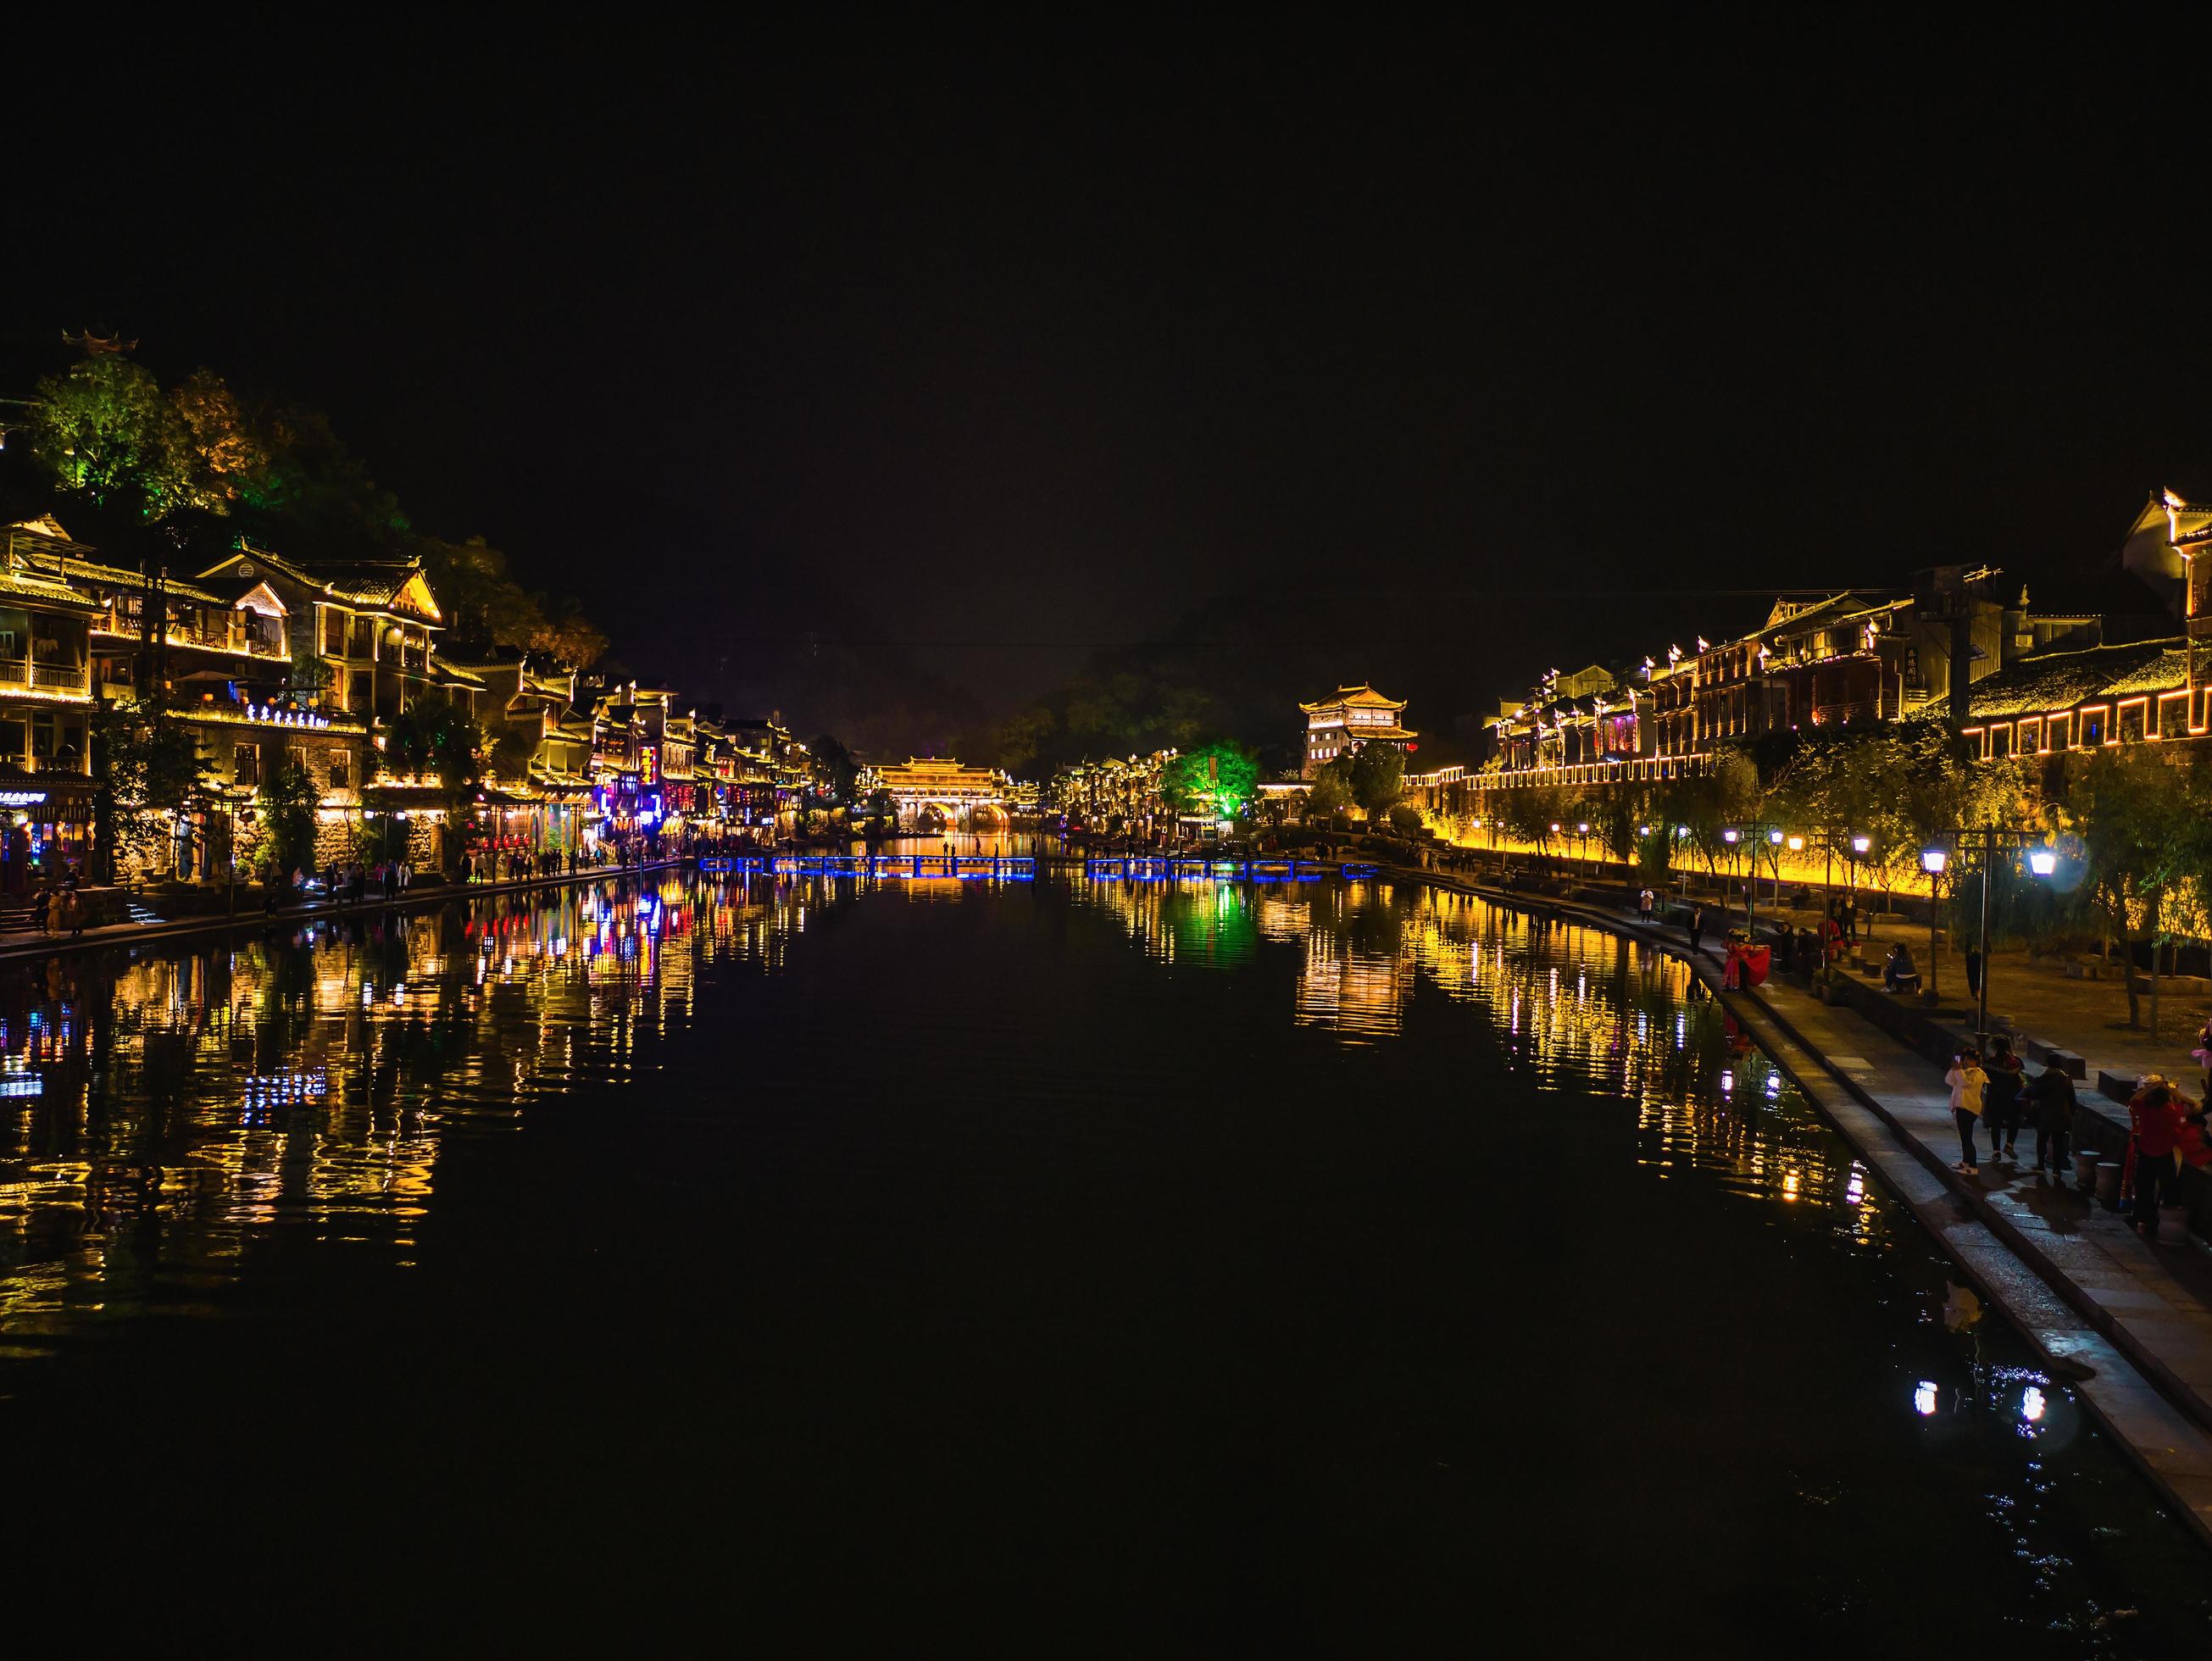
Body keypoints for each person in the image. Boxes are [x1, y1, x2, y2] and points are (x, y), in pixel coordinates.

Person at [2129, 1080, 2185, 1239]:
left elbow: (2134, 1099)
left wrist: (2149, 1088)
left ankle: (2142, 1222)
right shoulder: (2169, 1111)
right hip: (2164, 1153)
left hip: (2146, 1152)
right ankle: (2169, 1222)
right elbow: (2187, 1106)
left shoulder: (2144, 1108)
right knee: (2169, 1187)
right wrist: (2172, 1091)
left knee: (2144, 1188)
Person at [2031, 1061, 2077, 1182]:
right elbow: (2072, 1099)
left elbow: (2034, 1094)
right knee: (2058, 1143)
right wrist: (2072, 1113)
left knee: (2041, 1141)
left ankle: (2041, 1166)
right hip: (2061, 1116)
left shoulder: (2043, 1079)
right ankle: (2056, 1170)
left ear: (2048, 1065)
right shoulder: (2065, 1080)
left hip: (2045, 1115)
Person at [1944, 1049, 1987, 1174]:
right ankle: (1965, 1161)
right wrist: (1954, 1069)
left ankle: (1973, 1166)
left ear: (1976, 1060)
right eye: (1966, 1059)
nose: (1967, 1061)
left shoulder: (1978, 1074)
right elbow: (1950, 1081)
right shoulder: (1964, 1071)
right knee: (1963, 1137)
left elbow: (1965, 1083)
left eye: (1970, 1059)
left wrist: (1958, 1071)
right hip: (1961, 1106)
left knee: (1967, 1137)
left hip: (1969, 1107)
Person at [1984, 1038, 2026, 1160]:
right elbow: (2021, 1078)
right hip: (2013, 1097)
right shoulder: (2016, 1062)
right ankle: (2009, 1144)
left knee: (1995, 1124)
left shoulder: (1990, 1062)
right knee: (2014, 1121)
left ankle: (1996, 1151)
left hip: (1995, 1097)